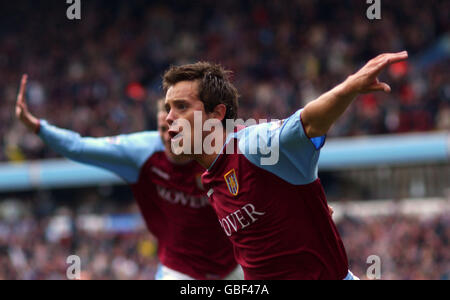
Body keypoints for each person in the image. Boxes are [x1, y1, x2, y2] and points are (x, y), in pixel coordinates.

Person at [163, 51, 409, 279]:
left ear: (216, 114)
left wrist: (350, 87)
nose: (169, 117)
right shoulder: (210, 178)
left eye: (181, 106)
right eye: (168, 109)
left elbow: (308, 123)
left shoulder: (254, 146)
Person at [15, 74, 243, 280]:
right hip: (180, 269)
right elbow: (79, 147)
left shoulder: (216, 147)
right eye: (163, 129)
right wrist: (37, 126)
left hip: (232, 264)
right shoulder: (140, 153)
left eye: (177, 126)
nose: (169, 135)